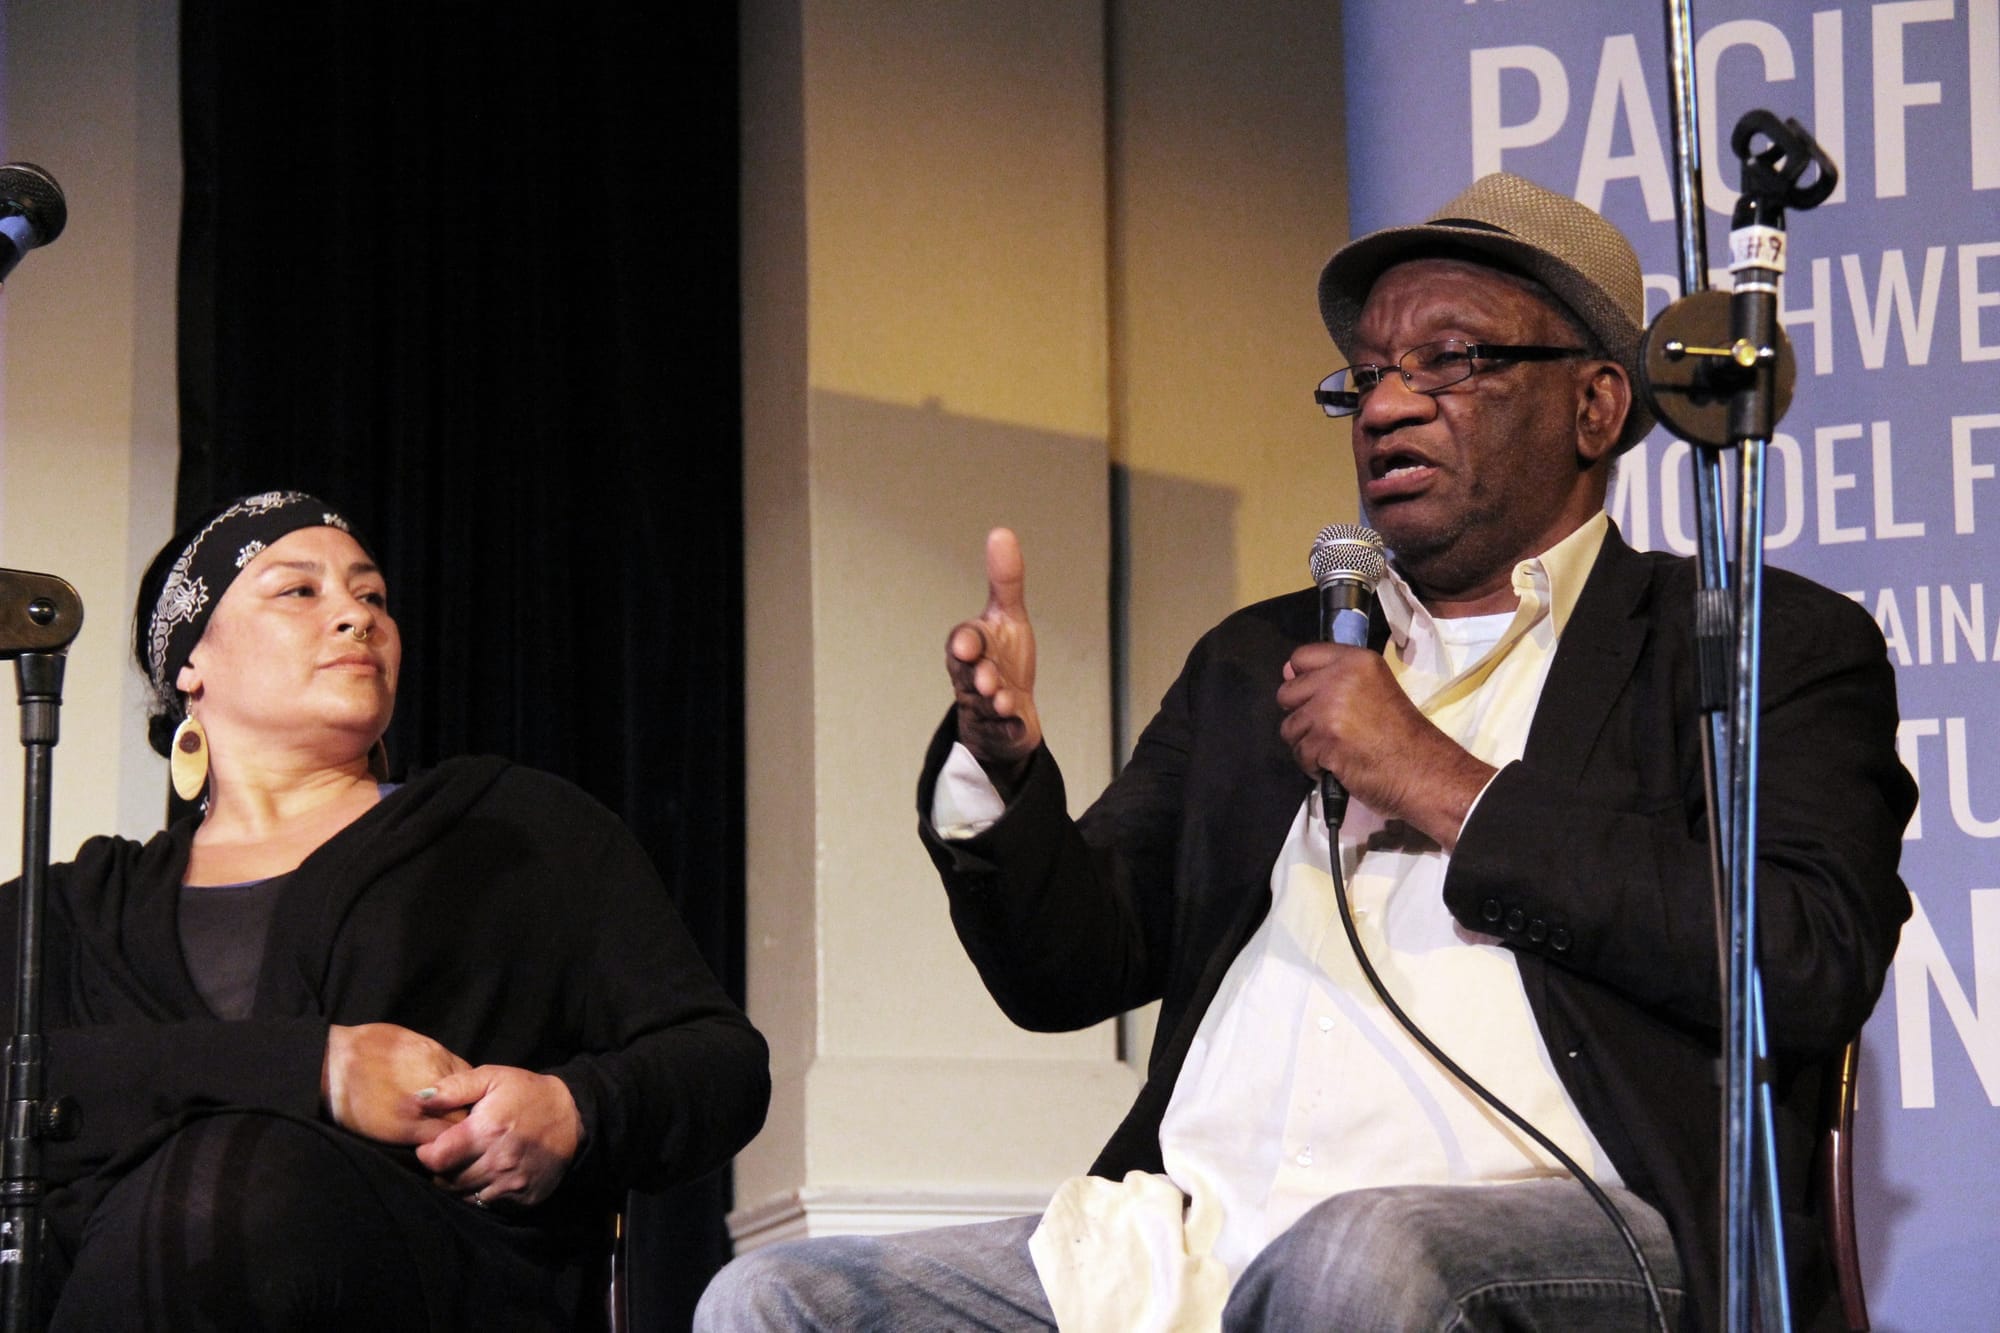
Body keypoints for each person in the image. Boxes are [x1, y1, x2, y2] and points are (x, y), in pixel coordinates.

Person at [694, 175, 1914, 1331]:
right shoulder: (1260, 659)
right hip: (1201, 1235)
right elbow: (1070, 965)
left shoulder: (1739, 645)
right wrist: (1001, 775)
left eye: (1450, 359)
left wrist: (1430, 777)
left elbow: (1801, 958)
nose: (1385, 406)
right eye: (1366, 375)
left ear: (1595, 404)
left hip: (1582, 1229)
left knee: (1358, 1252)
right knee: (774, 1302)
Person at [5, 490, 770, 1330]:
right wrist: (316, 1068)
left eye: (371, 594)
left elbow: (720, 1061)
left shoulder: (513, 830)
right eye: (299, 590)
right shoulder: (77, 911)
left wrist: (576, 1107)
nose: (355, 615)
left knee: (231, 1183)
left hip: (442, 1283)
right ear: (192, 663)